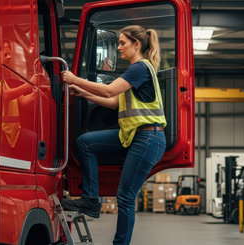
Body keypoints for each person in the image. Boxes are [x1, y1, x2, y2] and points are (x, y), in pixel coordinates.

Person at [60, 25, 166, 244]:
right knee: (85, 143)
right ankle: (90, 200)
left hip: (148, 138)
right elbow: (113, 102)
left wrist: (75, 79)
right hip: (134, 137)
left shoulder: (139, 68)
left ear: (137, 44)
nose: (118, 48)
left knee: (125, 197)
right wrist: (83, 92)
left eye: (122, 43)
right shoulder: (136, 72)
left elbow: (109, 90)